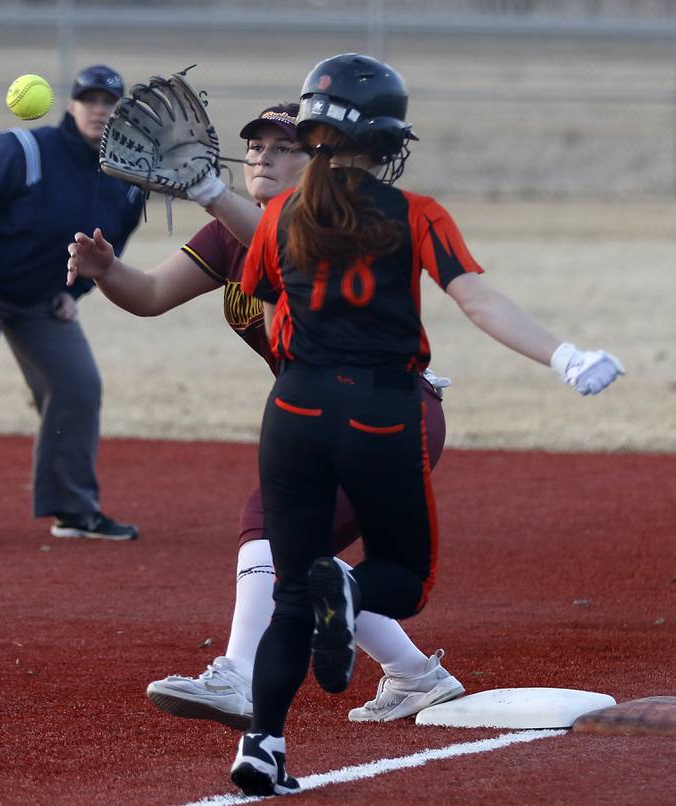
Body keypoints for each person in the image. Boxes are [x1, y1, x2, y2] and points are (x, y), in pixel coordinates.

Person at [212, 54, 625, 797]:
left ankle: (261, 749)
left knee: (289, 597)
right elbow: (479, 302)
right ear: (382, 138)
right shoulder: (417, 213)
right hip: (381, 409)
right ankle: (345, 588)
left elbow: (259, 305)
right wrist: (565, 354)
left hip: (296, 411)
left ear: (314, 131)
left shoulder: (276, 217)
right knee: (400, 580)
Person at [65, 103, 464, 727]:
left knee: (270, 525)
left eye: (283, 148)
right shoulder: (233, 232)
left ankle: (239, 678)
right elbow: (149, 295)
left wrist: (211, 193)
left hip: (390, 412)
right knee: (301, 553)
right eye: (254, 147)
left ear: (321, 164)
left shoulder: (337, 222)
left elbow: (284, 245)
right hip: (332, 419)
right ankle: (417, 674)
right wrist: (107, 269)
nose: (262, 157)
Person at [0, 65, 146, 546]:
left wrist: (71, 292)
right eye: (89, 99)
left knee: (78, 386)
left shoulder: (125, 179)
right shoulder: (20, 151)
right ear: (71, 105)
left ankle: (74, 510)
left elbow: (106, 249)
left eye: (109, 102)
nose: (99, 109)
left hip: (39, 296)